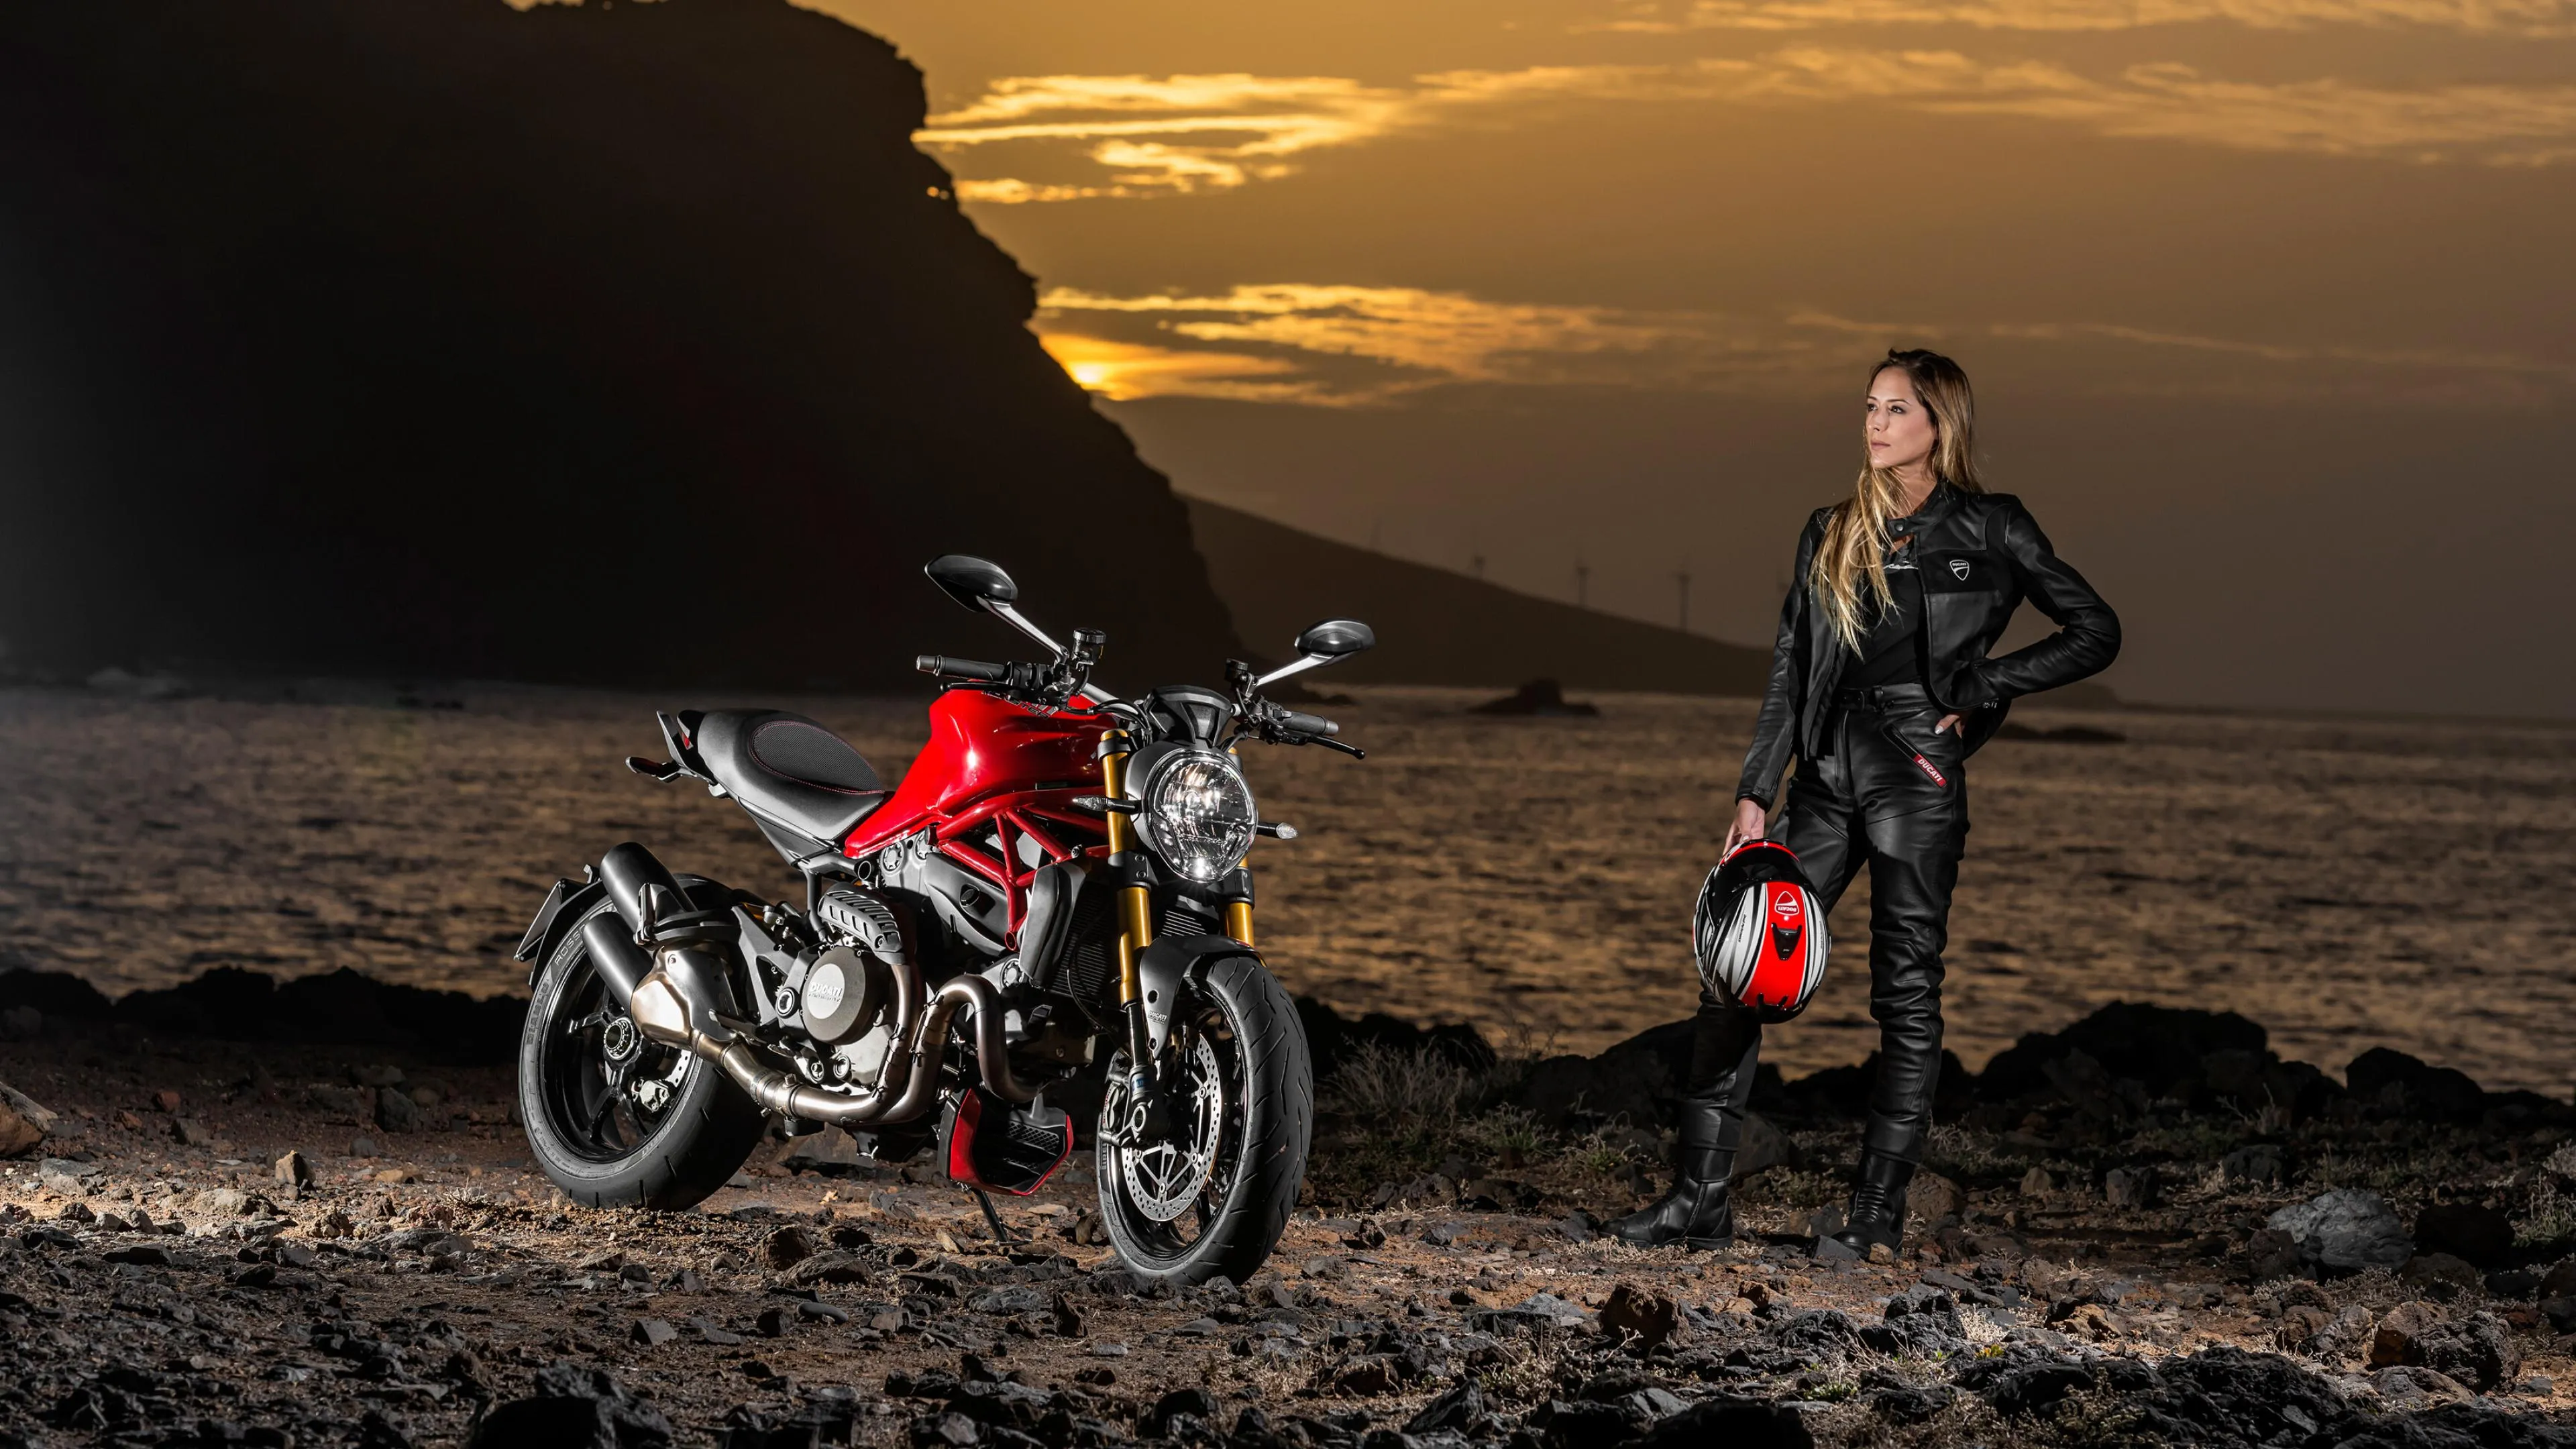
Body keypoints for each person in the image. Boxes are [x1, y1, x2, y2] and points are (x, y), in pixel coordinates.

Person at [1612, 348, 2120, 1258]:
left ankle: (1877, 1217)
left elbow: (2095, 631)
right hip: (1823, 779)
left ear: (1940, 424)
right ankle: (1699, 1201)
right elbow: (1791, 668)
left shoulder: (1994, 528)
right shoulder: (1832, 528)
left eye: (1897, 409)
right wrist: (1754, 792)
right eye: (1871, 406)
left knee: (1907, 995)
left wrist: (1984, 685)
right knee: (1736, 969)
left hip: (1917, 777)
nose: (1876, 423)